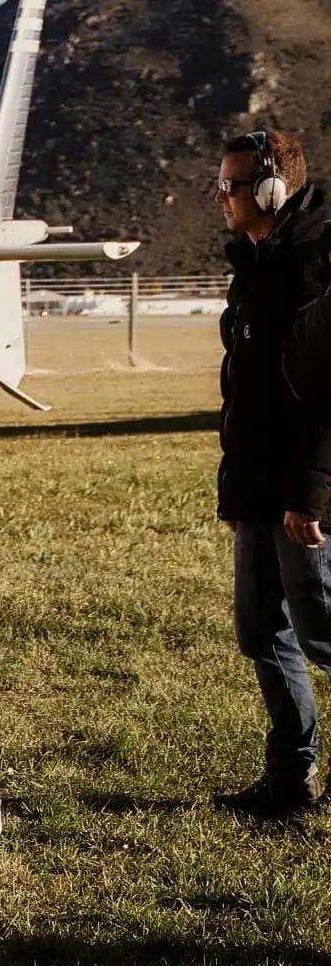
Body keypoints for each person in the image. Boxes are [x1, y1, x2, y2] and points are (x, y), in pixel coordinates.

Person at [212, 129, 331, 819]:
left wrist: (311, 489)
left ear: (269, 191)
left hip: (301, 489)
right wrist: (241, 491)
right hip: (258, 486)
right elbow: (249, 389)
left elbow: (328, 392)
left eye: (230, 185)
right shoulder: (255, 263)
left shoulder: (315, 264)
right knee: (263, 632)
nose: (221, 198)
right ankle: (292, 779)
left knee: (320, 630)